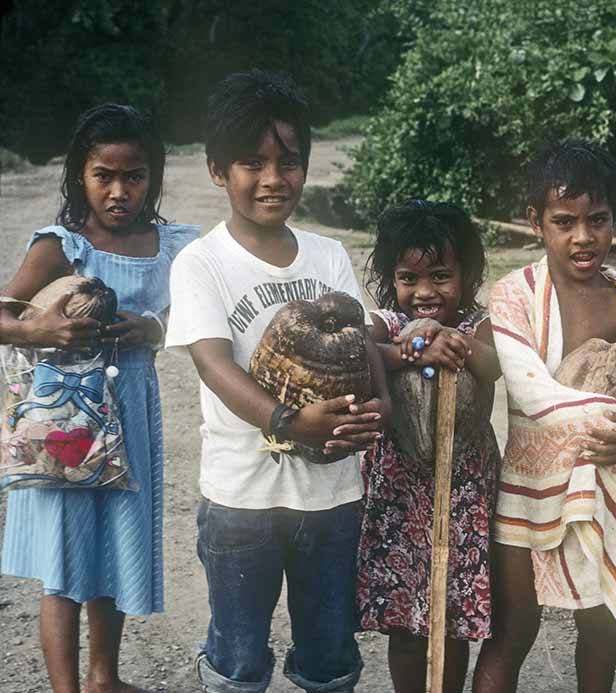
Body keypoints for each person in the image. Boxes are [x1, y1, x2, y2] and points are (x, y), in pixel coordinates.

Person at [165, 69, 387, 693]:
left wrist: (381, 412)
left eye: (288, 162)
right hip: (242, 501)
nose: (272, 178)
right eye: (250, 162)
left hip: (332, 499)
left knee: (329, 657)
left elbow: (366, 350)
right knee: (238, 661)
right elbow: (213, 363)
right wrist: (288, 423)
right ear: (217, 171)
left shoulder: (328, 256)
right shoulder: (202, 262)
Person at [0, 103, 198, 693]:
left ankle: (102, 678)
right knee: (64, 562)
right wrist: (37, 331)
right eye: (102, 176)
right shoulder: (61, 246)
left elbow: (187, 319)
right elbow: (5, 312)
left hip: (131, 417)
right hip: (64, 420)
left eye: (133, 176)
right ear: (78, 178)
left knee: (113, 547)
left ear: (152, 177)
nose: (118, 191)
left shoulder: (170, 246)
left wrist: (154, 330)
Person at [474, 141, 616, 692]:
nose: (583, 237)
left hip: (603, 484)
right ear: (535, 222)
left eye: (598, 220)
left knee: (600, 623)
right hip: (528, 483)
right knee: (514, 629)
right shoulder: (513, 294)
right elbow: (529, 387)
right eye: (564, 222)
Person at [356, 199, 502, 693]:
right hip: (399, 488)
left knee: (452, 611)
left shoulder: (480, 323)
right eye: (408, 278)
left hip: (462, 488)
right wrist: (413, 348)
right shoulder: (385, 324)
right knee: (405, 618)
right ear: (391, 279)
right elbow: (360, 350)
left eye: (440, 276)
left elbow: (494, 363)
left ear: (467, 274)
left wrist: (450, 339)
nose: (424, 292)